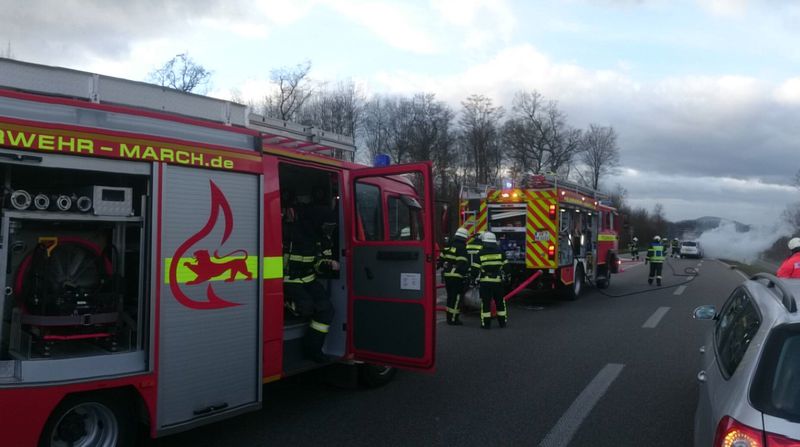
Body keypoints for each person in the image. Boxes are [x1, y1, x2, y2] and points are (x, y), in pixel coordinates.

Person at [283, 209, 339, 363]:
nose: (328, 229)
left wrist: (327, 265)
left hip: (309, 280)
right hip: (288, 281)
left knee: (327, 309)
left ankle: (313, 349)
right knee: (306, 307)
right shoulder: (290, 233)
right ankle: (285, 304)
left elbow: (318, 264)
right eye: (327, 225)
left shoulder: (322, 239)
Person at [475, 231, 508, 329]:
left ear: (484, 241)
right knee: (500, 303)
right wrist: (506, 276)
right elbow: (507, 267)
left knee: (486, 303)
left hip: (485, 283)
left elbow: (474, 269)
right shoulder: (500, 252)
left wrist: (472, 278)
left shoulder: (480, 253)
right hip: (498, 282)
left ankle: (486, 324)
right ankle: (502, 323)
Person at [439, 227, 470, 325]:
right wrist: (465, 273)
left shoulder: (448, 245)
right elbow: (462, 262)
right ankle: (453, 319)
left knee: (450, 297)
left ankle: (449, 318)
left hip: (447, 275)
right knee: (456, 298)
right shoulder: (461, 247)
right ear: (464, 237)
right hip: (456, 276)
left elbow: (441, 260)